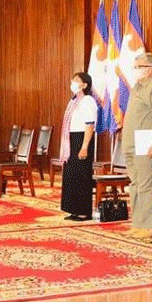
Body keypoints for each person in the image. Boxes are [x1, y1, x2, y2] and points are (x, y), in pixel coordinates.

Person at [122, 53, 152, 238]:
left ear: (149, 68)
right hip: (130, 141)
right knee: (135, 184)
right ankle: (137, 223)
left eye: (139, 67)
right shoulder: (136, 87)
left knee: (146, 185)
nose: (135, 70)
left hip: (145, 140)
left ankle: (148, 226)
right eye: (134, 67)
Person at [58, 72, 98, 220]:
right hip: (72, 140)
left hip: (82, 140)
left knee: (81, 176)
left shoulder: (88, 101)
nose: (72, 83)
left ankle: (83, 211)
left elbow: (90, 125)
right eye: (72, 80)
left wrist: (84, 146)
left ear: (85, 85)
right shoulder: (73, 101)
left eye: (76, 81)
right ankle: (73, 209)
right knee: (72, 175)